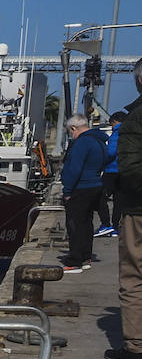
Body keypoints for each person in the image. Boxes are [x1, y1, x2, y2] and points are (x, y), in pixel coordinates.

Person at [107, 58, 142, 359]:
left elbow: (130, 168)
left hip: (139, 210)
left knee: (133, 276)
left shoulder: (135, 119)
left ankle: (135, 345)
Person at [59, 114, 109, 273]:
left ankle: (75, 261)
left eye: (70, 131)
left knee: (75, 224)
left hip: (81, 187)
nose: (70, 134)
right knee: (87, 223)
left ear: (74, 128)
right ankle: (86, 256)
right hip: (95, 185)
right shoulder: (99, 142)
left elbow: (74, 168)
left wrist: (67, 190)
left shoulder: (82, 143)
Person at [96, 111, 125, 237]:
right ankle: (115, 227)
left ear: (115, 121)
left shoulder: (117, 133)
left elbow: (111, 152)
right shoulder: (131, 132)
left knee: (99, 196)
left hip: (112, 171)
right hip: (124, 171)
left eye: (111, 124)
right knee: (119, 201)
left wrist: (101, 162)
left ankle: (106, 224)